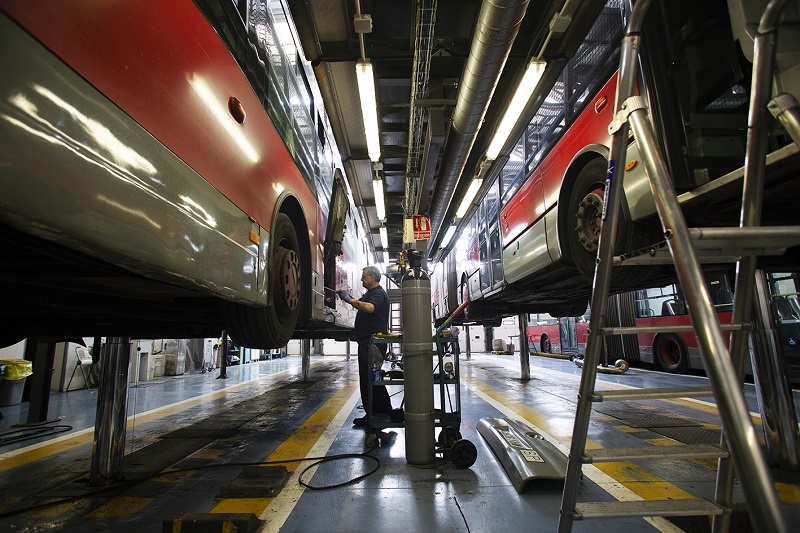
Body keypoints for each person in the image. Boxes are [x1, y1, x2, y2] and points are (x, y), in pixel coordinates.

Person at [338, 266, 393, 426]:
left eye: (364, 276)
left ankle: (378, 413)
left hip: (372, 344)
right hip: (368, 343)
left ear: (372, 277)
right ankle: (377, 412)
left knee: (370, 379)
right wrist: (350, 298)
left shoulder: (378, 294)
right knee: (370, 378)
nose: (361, 279)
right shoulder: (371, 293)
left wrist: (350, 300)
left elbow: (369, 308)